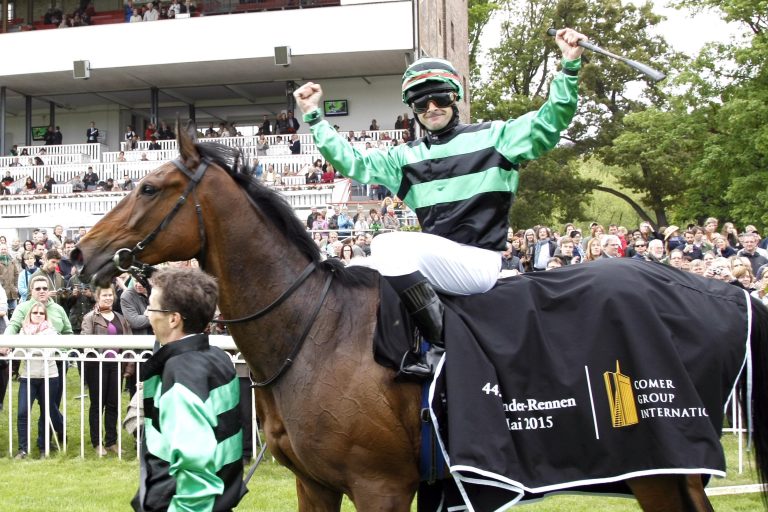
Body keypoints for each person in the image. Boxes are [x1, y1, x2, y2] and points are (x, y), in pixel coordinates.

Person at [294, 28, 586, 374]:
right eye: (421, 103)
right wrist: (314, 116)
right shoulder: (404, 157)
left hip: (478, 262)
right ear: (413, 109)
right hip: (439, 259)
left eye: (440, 98)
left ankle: (443, 343)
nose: (431, 108)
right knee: (361, 268)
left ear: (454, 98)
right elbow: (352, 162)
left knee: (388, 244)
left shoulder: (496, 137)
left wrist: (569, 66)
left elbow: (551, 120)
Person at [131, 267, 246, 511]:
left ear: (174, 319)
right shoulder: (218, 357)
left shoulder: (181, 373)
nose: (147, 315)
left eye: (151, 308)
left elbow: (196, 464)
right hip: (221, 500)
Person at [1, 301, 64, 459]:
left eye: (41, 313)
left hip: (49, 376)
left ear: (45, 316)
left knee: (47, 412)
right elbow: (20, 354)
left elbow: (47, 352)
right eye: (35, 313)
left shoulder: (51, 332)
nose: (38, 315)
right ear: (29, 315)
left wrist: (31, 345)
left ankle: (44, 447)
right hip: (28, 376)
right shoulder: (23, 331)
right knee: (22, 412)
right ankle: (23, 449)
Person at [81, 285, 132, 456]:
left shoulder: (120, 318)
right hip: (97, 365)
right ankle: (97, 442)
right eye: (104, 295)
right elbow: (85, 341)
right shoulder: (90, 318)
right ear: (98, 297)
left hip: (116, 365)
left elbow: (129, 342)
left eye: (110, 295)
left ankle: (111, 441)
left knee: (113, 404)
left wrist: (128, 364)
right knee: (97, 405)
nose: (108, 298)